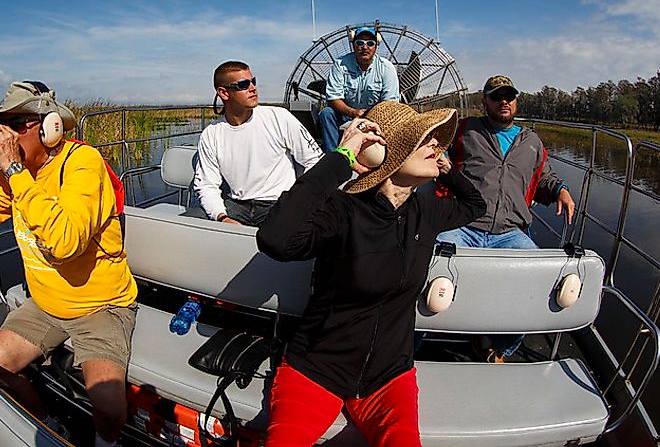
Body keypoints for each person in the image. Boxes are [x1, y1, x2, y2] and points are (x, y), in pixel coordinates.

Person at [257, 101, 486, 446]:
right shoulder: (344, 210)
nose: (436, 146)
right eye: (424, 139)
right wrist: (342, 157)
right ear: (384, 153)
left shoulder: (426, 211)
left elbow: (475, 205)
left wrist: (447, 169)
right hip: (316, 370)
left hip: (389, 377)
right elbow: (275, 239)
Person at [0, 81, 137, 447]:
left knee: (107, 405)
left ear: (49, 126)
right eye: (1, 126)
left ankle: (107, 441)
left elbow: (66, 242)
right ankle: (44, 419)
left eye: (17, 123)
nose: (6, 136)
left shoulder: (81, 163)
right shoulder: (20, 174)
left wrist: (13, 171)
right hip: (46, 303)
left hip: (100, 306)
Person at [436, 74, 576, 362]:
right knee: (433, 265)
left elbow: (544, 179)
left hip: (510, 232)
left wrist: (561, 190)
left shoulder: (532, 142)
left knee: (538, 281)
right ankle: (413, 342)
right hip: (464, 224)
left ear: (516, 101)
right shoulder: (464, 130)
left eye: (509, 96)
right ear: (484, 101)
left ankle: (500, 348)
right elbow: (435, 157)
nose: (504, 101)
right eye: (496, 96)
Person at [193, 61, 323, 227]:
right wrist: (222, 218)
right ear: (224, 93)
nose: (253, 88)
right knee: (189, 222)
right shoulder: (211, 134)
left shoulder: (279, 118)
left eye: (253, 81)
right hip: (236, 206)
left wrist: (298, 200)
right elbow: (206, 184)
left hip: (279, 204)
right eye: (243, 84)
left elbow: (314, 161)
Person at [318, 26, 401, 151]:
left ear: (376, 46)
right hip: (346, 114)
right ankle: (334, 157)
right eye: (360, 43)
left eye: (370, 43)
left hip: (376, 117)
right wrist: (353, 112)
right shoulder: (340, 65)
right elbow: (333, 98)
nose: (365, 47)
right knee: (326, 113)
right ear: (353, 45)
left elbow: (390, 105)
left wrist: (371, 118)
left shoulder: (386, 68)